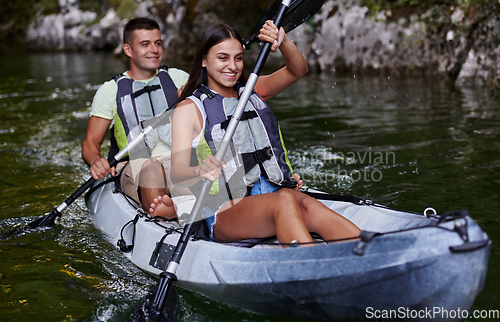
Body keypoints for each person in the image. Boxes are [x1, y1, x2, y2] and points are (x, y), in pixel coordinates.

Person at [169, 20, 361, 245]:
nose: (232, 66)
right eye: (223, 58)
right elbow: (178, 172)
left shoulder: (253, 91)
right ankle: (315, 266)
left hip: (273, 195)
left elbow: (298, 70)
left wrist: (283, 41)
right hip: (225, 210)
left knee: (306, 203)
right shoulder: (190, 109)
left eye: (238, 58)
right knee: (285, 201)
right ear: (203, 60)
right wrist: (200, 170)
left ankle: (369, 251)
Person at [82, 17, 189, 220]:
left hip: (179, 159)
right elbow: (90, 142)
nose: (154, 50)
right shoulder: (109, 91)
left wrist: (191, 94)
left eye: (158, 43)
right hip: (137, 164)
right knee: (151, 167)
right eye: (145, 44)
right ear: (128, 50)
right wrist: (96, 160)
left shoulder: (179, 78)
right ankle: (163, 219)